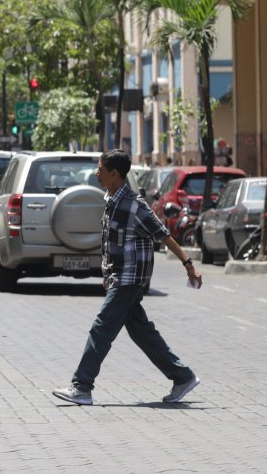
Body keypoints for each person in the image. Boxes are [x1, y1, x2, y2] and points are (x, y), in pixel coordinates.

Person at [52, 149, 202, 407]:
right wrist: (106, 274)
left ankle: (82, 386)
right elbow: (110, 244)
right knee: (142, 333)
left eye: (101, 169)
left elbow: (163, 235)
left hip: (129, 279)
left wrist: (188, 264)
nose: (96, 173)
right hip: (118, 278)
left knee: (101, 329)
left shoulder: (135, 205)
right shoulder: (110, 199)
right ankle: (182, 376)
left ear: (115, 174)